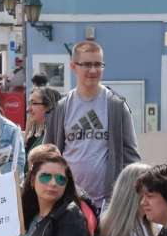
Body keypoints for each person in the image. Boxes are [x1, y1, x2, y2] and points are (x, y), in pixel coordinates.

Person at [44, 41, 141, 212]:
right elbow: (47, 155)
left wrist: (128, 197)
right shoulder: (61, 108)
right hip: (68, 202)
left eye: (98, 64)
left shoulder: (116, 106)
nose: (93, 70)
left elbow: (131, 157)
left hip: (107, 204)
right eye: (87, 64)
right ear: (73, 66)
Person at [25, 86, 60, 166]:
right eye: (28, 104)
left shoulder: (55, 138)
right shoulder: (37, 136)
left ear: (48, 107)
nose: (28, 109)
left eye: (33, 103)